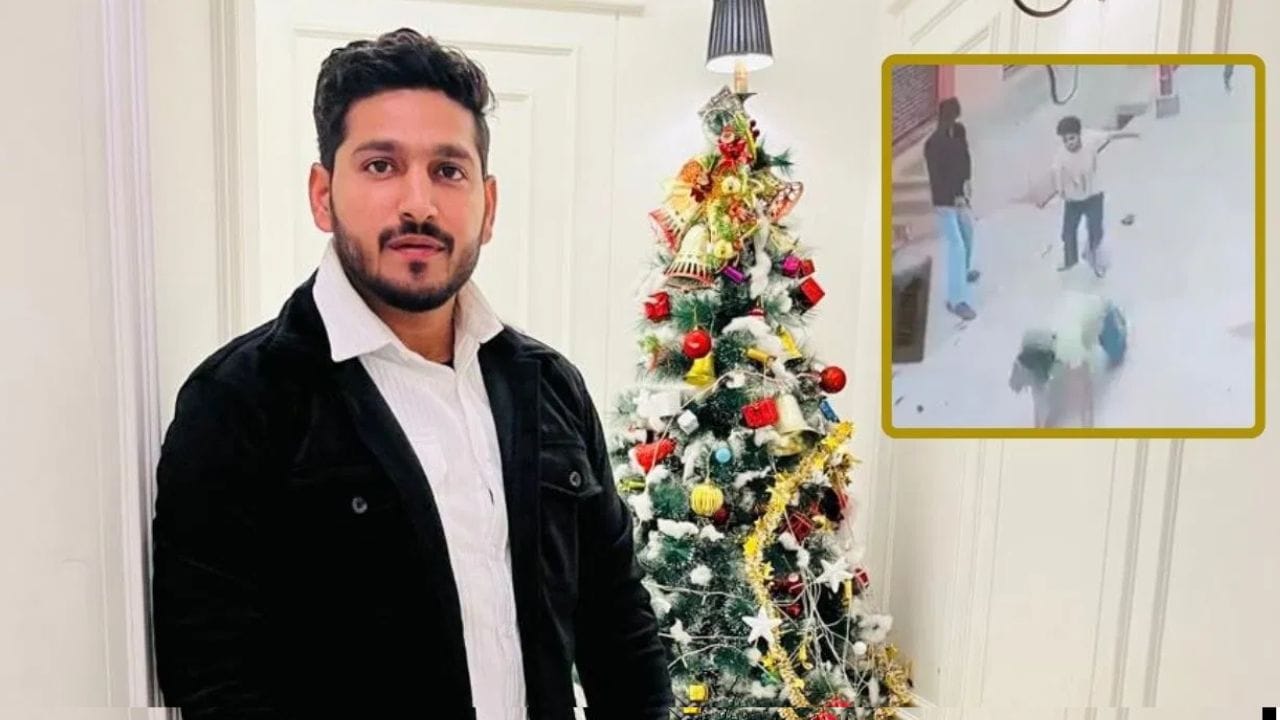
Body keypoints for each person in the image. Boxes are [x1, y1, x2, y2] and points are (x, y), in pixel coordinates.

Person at [150, 28, 673, 719]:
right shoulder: (241, 401)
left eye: (448, 170)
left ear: (488, 205)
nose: (418, 203)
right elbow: (216, 680)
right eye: (380, 165)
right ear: (322, 194)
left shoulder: (549, 386)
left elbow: (619, 626)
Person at [1037, 115, 1140, 277]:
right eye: (1065, 140)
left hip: (1093, 197)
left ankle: (1093, 258)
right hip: (1073, 201)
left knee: (1095, 230)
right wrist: (1060, 190)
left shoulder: (1090, 139)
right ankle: (1070, 261)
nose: (1069, 143)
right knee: (1068, 232)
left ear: (1079, 135)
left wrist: (1132, 134)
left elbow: (1110, 135)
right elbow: (1056, 174)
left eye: (1072, 138)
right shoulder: (1061, 156)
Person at [923, 96, 979, 322]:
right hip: (944, 202)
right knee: (956, 245)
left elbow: (965, 158)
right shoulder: (933, 144)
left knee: (968, 234)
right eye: (950, 118)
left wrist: (967, 182)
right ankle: (957, 301)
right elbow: (936, 178)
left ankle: (962, 273)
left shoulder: (959, 132)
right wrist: (953, 197)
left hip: (960, 197)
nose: (952, 122)